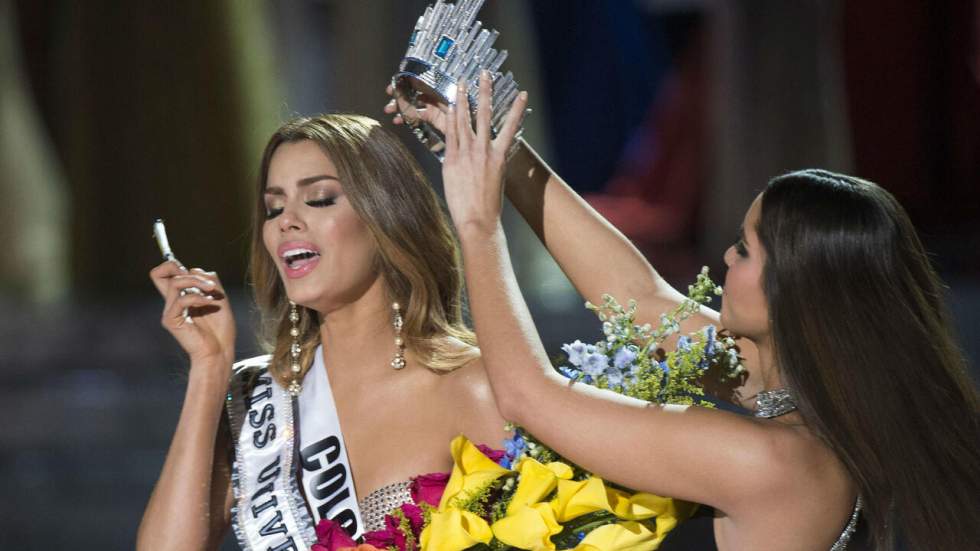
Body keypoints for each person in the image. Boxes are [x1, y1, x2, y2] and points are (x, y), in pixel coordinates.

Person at [388, 71, 980, 550]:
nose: (725, 254)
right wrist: (500, 151)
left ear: (795, 294)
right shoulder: (806, 399)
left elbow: (530, 399)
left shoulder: (776, 461)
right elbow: (639, 299)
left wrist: (476, 221)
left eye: (745, 250)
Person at [137, 114, 509, 551]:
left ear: (386, 217)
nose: (285, 221)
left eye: (319, 199)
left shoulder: (474, 385)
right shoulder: (255, 399)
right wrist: (209, 366)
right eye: (274, 207)